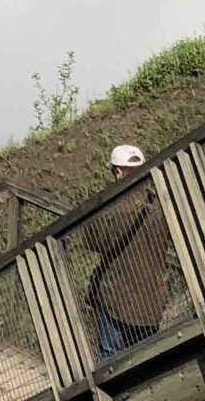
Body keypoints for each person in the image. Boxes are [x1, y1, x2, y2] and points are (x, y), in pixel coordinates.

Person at [80, 144, 166, 360]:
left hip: (116, 299)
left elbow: (92, 241)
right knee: (147, 359)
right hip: (151, 302)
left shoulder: (114, 208)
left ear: (117, 171)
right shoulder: (158, 206)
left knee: (111, 359)